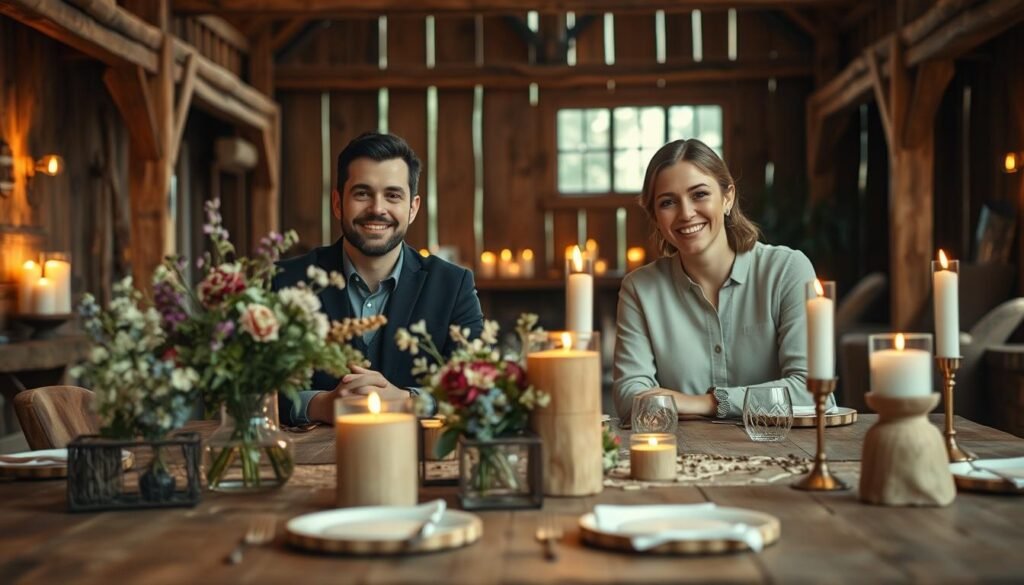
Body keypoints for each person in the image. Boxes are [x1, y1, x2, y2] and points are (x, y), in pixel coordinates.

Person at [274, 132, 484, 425]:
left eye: (393, 195)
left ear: (413, 208)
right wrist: (320, 405)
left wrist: (409, 401)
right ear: (337, 203)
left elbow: (479, 389)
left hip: (418, 464)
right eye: (362, 193)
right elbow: (249, 391)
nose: (377, 208)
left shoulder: (453, 285)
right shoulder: (283, 281)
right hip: (304, 464)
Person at [613, 139, 824, 420]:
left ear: (728, 198)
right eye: (668, 202)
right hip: (682, 456)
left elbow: (811, 391)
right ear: (655, 216)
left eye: (699, 194)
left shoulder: (787, 271)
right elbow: (630, 398)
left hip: (784, 451)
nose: (686, 213)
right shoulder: (640, 289)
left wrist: (708, 403)